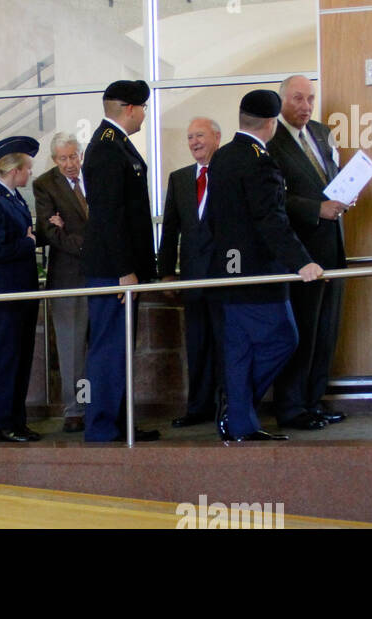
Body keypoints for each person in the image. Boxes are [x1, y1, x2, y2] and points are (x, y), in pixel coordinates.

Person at [205, 90, 324, 442]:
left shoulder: (222, 156)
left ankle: (239, 420)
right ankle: (237, 410)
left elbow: (213, 217)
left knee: (239, 350)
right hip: (258, 273)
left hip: (227, 271)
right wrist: (302, 261)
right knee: (284, 339)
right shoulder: (261, 160)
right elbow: (271, 220)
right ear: (272, 123)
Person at [267, 75, 352, 432]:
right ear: (283, 100)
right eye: (298, 99)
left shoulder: (320, 132)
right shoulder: (271, 138)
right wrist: (317, 209)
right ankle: (291, 406)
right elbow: (273, 198)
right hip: (300, 253)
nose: (305, 106)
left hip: (332, 248)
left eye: (310, 99)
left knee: (325, 330)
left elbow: (329, 178)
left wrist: (345, 194)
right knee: (300, 331)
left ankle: (314, 402)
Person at [81, 80, 161, 443]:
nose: (144, 114)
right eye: (142, 107)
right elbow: (108, 216)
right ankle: (101, 427)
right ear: (130, 109)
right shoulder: (106, 149)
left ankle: (119, 421)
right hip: (112, 272)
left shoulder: (118, 146)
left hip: (122, 269)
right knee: (109, 351)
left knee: (120, 350)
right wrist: (124, 270)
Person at [156, 117, 223, 428]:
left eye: (200, 135)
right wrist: (167, 272)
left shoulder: (231, 173)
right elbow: (170, 231)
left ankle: (229, 405)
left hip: (228, 277)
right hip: (194, 278)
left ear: (217, 138)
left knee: (227, 344)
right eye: (190, 137)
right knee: (196, 344)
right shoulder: (180, 179)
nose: (194, 142)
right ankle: (198, 408)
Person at [0, 137, 41, 442]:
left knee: (21, 359)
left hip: (21, 292)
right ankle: (2, 423)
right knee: (6, 360)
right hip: (6, 295)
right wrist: (28, 243)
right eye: (27, 168)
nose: (30, 173)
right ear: (14, 169)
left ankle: (17, 420)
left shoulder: (13, 198)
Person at [34, 132, 89, 433]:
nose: (70, 164)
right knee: (72, 351)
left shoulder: (94, 176)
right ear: (55, 160)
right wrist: (89, 246)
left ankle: (99, 404)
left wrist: (70, 233)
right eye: (63, 159)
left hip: (101, 277)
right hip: (68, 279)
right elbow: (50, 234)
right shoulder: (44, 185)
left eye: (73, 156)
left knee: (98, 348)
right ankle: (76, 409)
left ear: (80, 154)